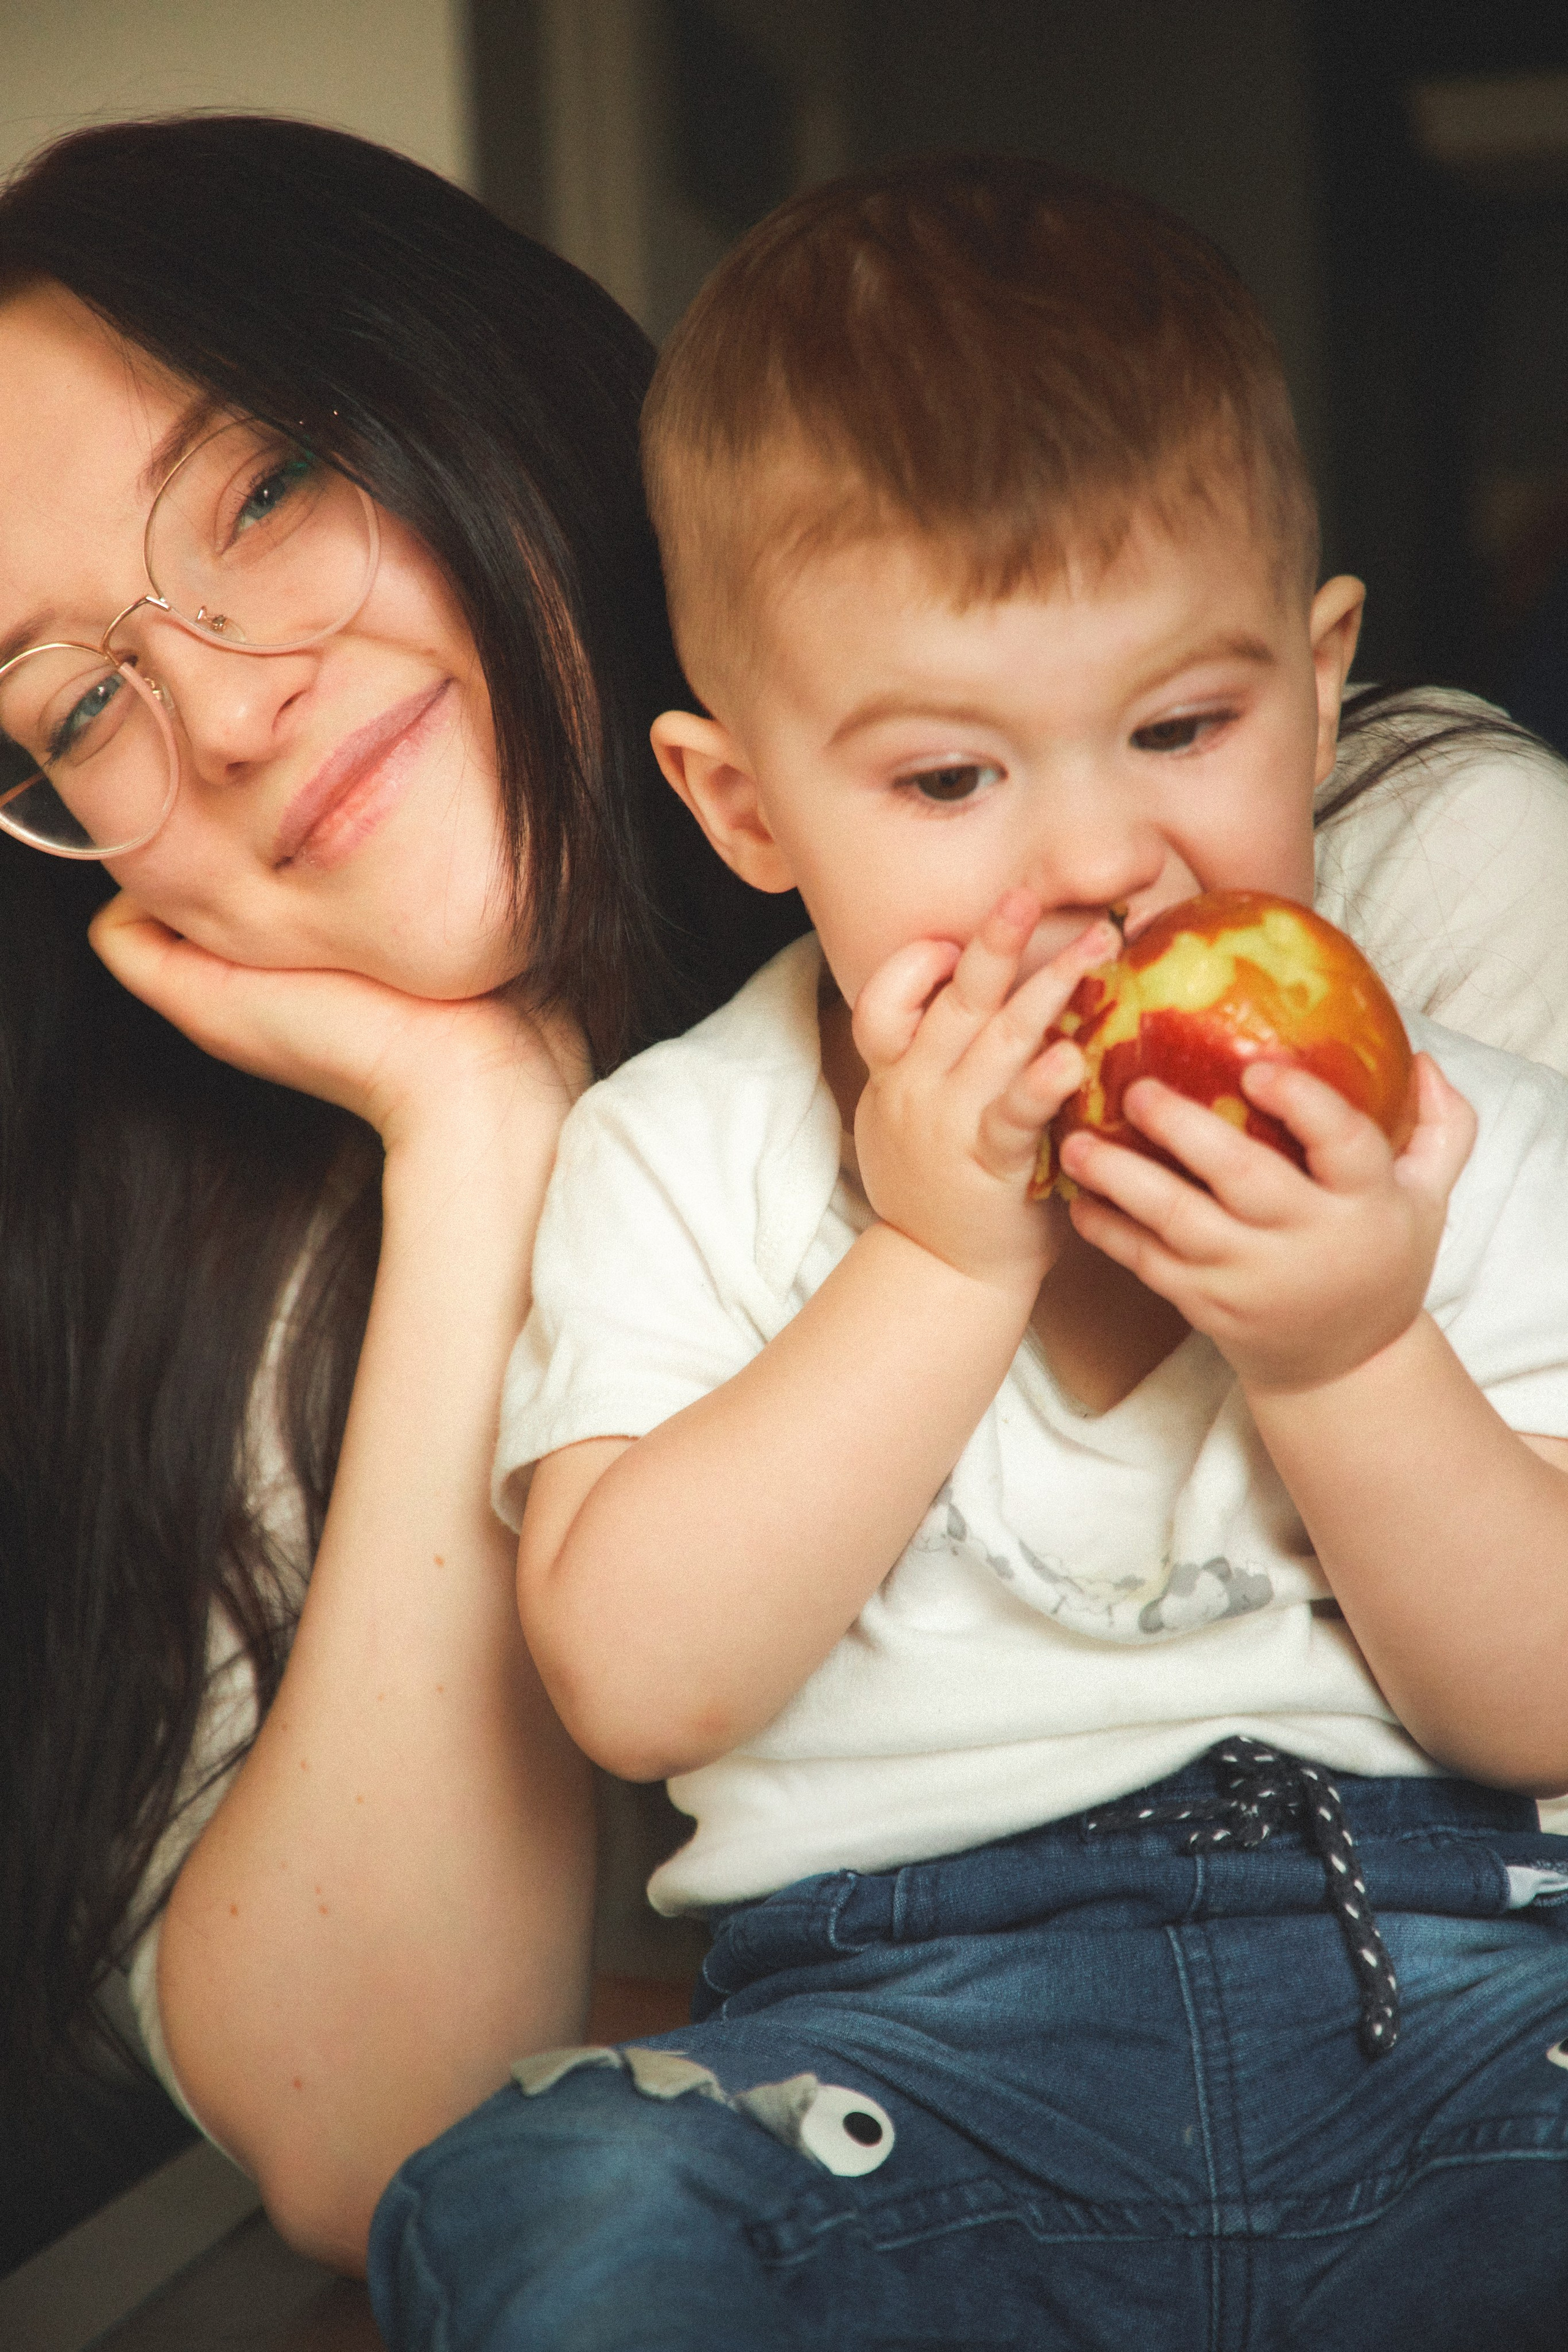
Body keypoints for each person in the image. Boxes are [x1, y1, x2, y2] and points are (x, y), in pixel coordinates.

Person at [369, 160, 1568, 2348]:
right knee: (551, 2200)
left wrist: (1347, 1352)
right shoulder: (683, 1153)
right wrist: (931, 1265)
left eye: (1185, 732)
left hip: (1457, 2005)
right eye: (946, 779)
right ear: (745, 812)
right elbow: (638, 1680)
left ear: (1321, 689)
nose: (1100, 861)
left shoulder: (1456, 1137)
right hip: (896, 2065)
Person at [0, 113, 801, 2272]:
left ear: (472, 382)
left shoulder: (1349, 866)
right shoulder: (209, 1297)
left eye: (260, 490)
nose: (233, 711)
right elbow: (386, 2138)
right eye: (84, 701)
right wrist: (481, 1131)